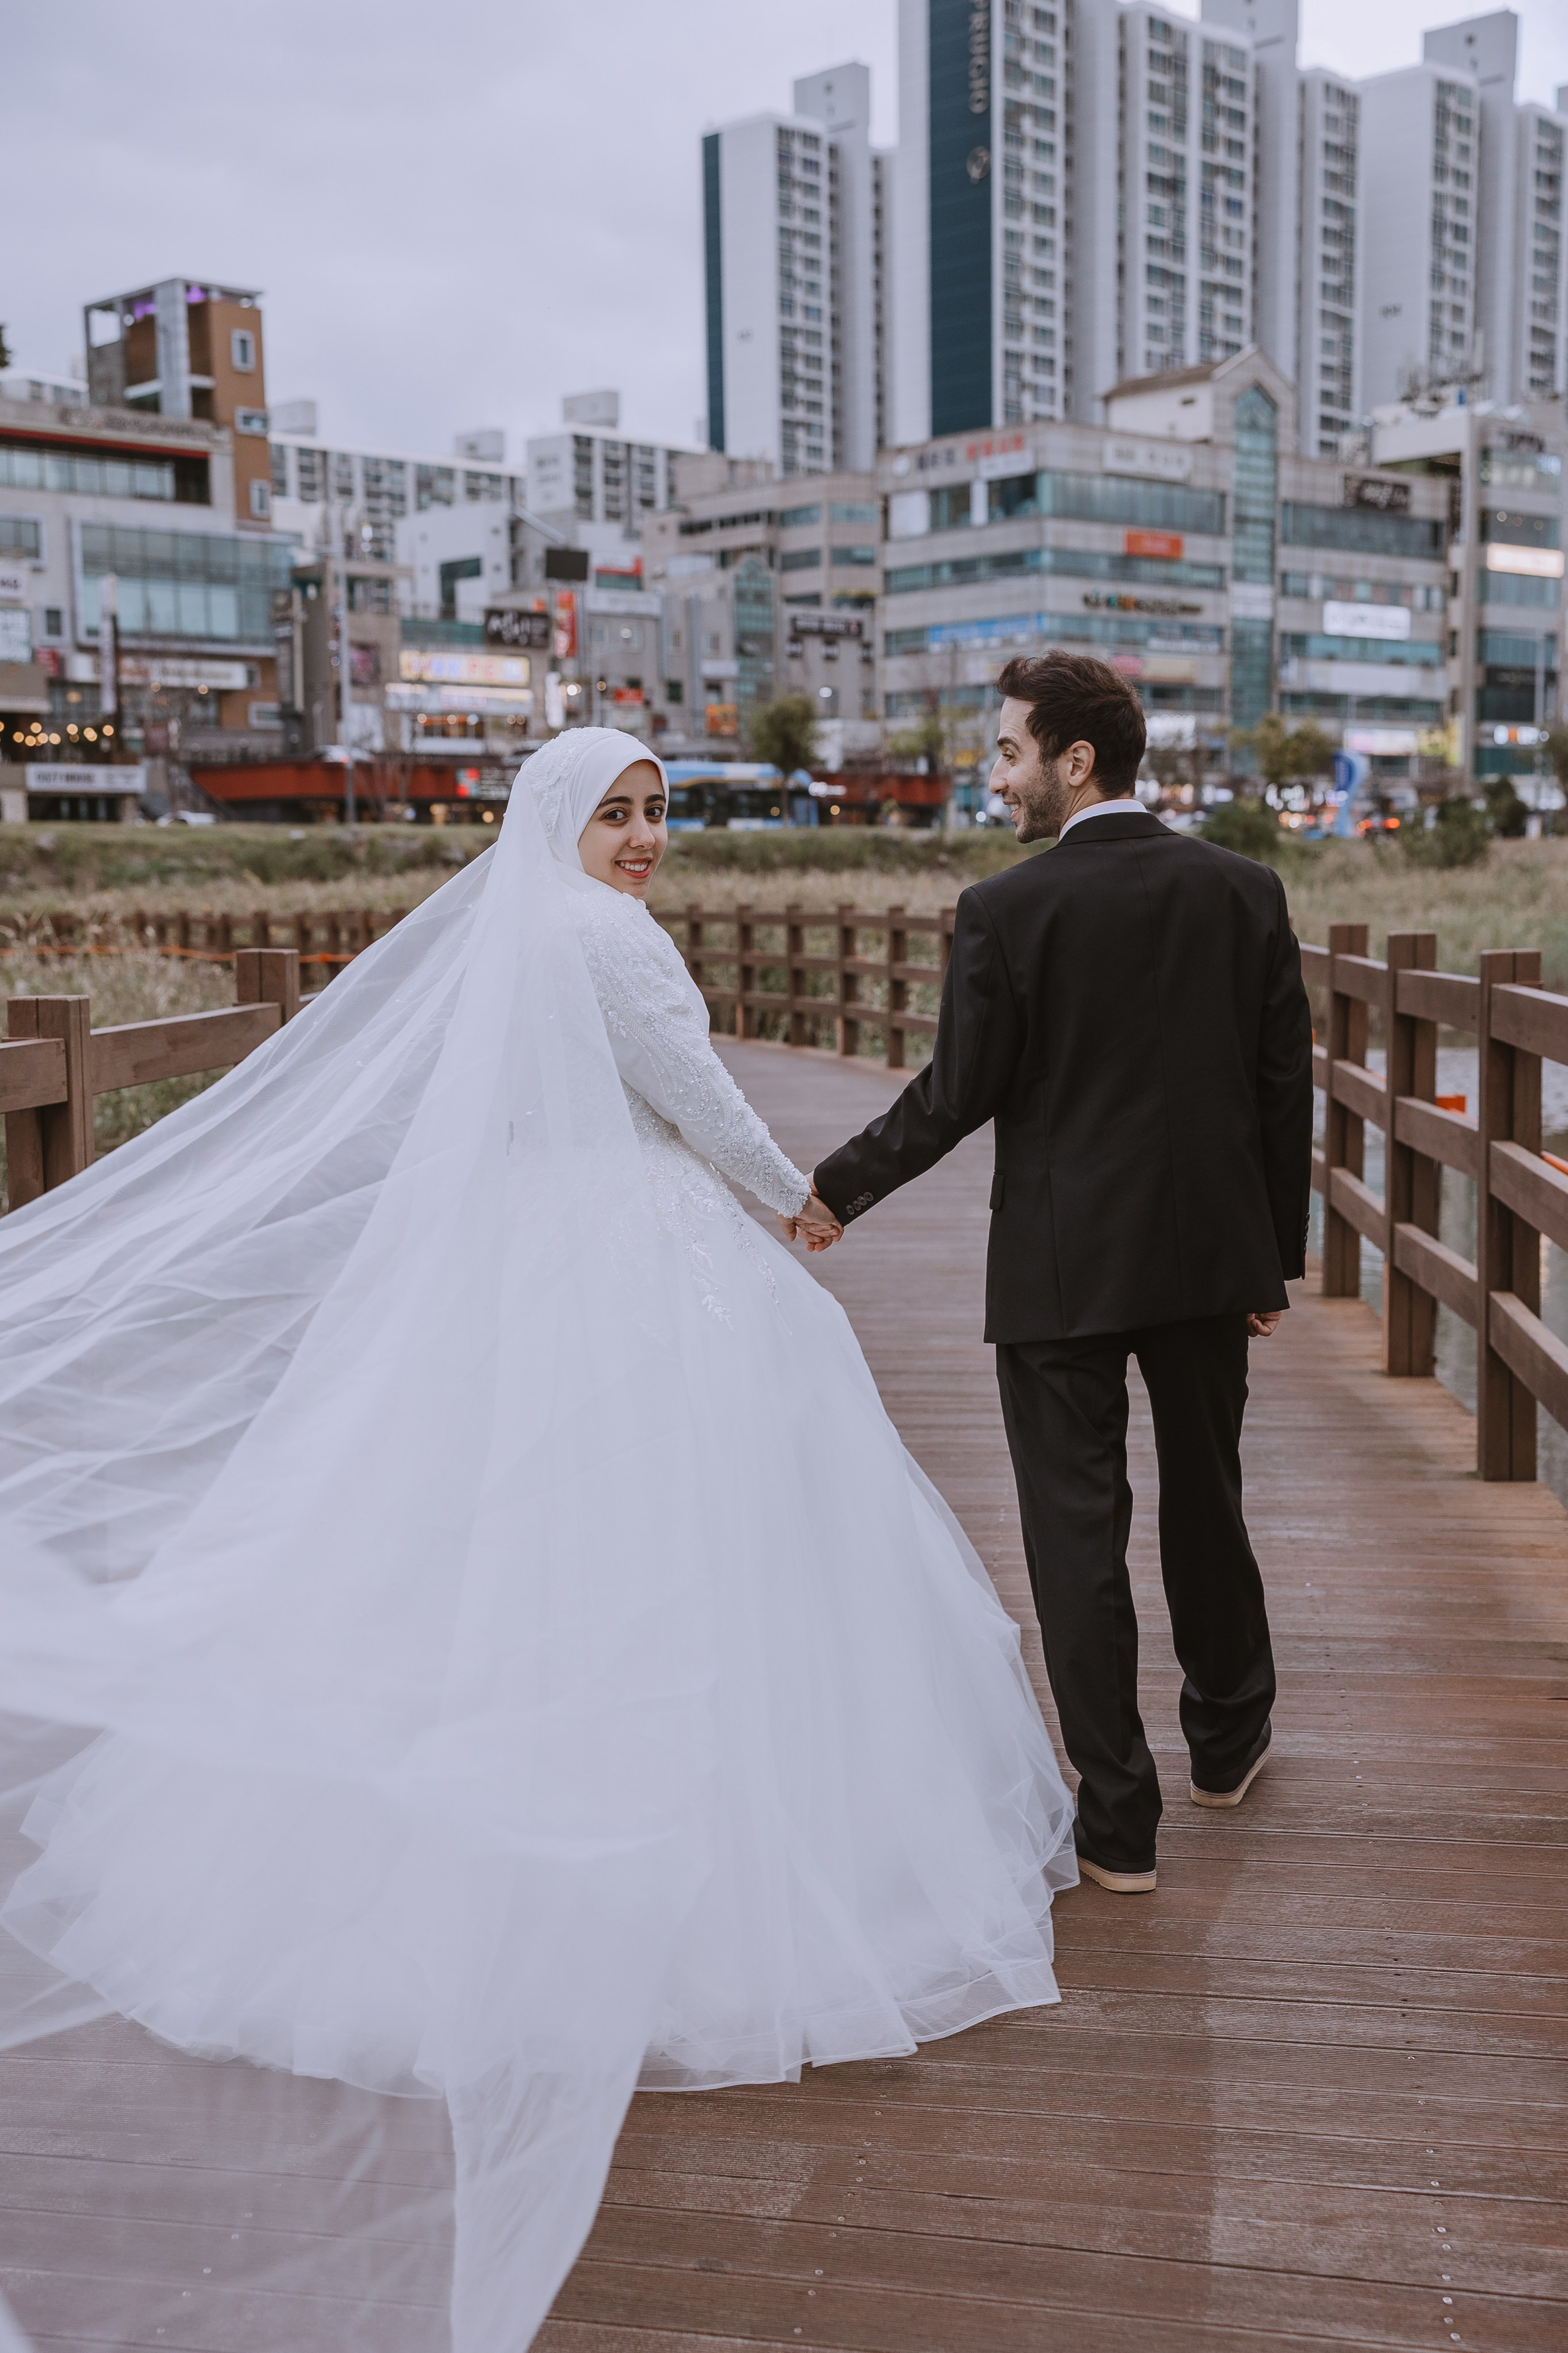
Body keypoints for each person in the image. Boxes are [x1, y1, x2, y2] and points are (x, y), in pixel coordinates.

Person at [0, 728, 1076, 2353]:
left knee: (503, 1557)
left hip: (531, 1247)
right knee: (694, 1564)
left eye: (657, 815)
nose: (645, 840)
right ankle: (683, 1913)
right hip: (643, 1254)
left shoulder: (521, 932)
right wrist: (805, 1199)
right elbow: (699, 1099)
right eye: (618, 815)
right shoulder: (610, 939)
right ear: (560, 823)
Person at [804, 654, 1314, 1895]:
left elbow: (957, 1093)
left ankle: (1119, 1825)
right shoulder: (1242, 890)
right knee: (1206, 1496)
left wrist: (834, 1188)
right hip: (1204, 1255)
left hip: (1058, 1261)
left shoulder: (1007, 910)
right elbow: (1278, 1086)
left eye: (1008, 752)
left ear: (1073, 762)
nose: (995, 776)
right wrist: (1271, 1257)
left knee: (1073, 1537)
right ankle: (1227, 1739)